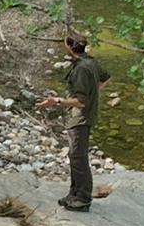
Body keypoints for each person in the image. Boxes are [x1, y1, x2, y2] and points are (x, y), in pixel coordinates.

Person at [38, 34, 109, 212]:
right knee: (74, 155)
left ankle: (83, 198)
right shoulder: (91, 62)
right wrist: (95, 92)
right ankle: (74, 193)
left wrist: (57, 101)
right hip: (86, 116)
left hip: (80, 118)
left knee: (79, 157)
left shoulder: (80, 70)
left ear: (70, 48)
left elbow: (80, 101)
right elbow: (106, 77)